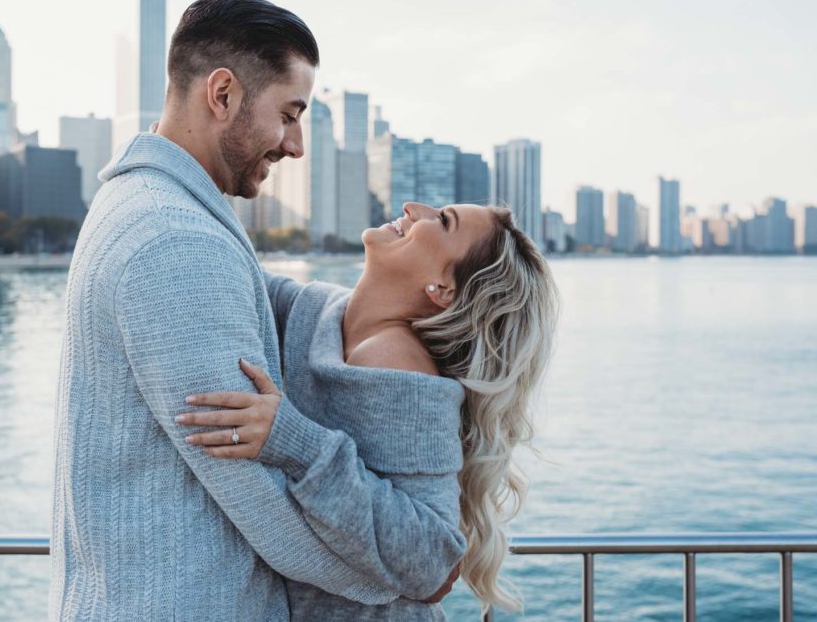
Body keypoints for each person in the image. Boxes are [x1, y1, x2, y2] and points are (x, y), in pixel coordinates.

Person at [50, 0, 463, 621]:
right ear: (222, 94)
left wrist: (386, 317)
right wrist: (408, 581)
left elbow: (273, 300)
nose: (295, 145)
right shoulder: (176, 240)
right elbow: (270, 513)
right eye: (289, 114)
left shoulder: (149, 206)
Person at [178, 202, 560, 618]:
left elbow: (432, 559)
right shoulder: (321, 311)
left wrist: (291, 441)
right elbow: (232, 271)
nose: (414, 208)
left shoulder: (400, 363)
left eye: (444, 220)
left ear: (442, 288)